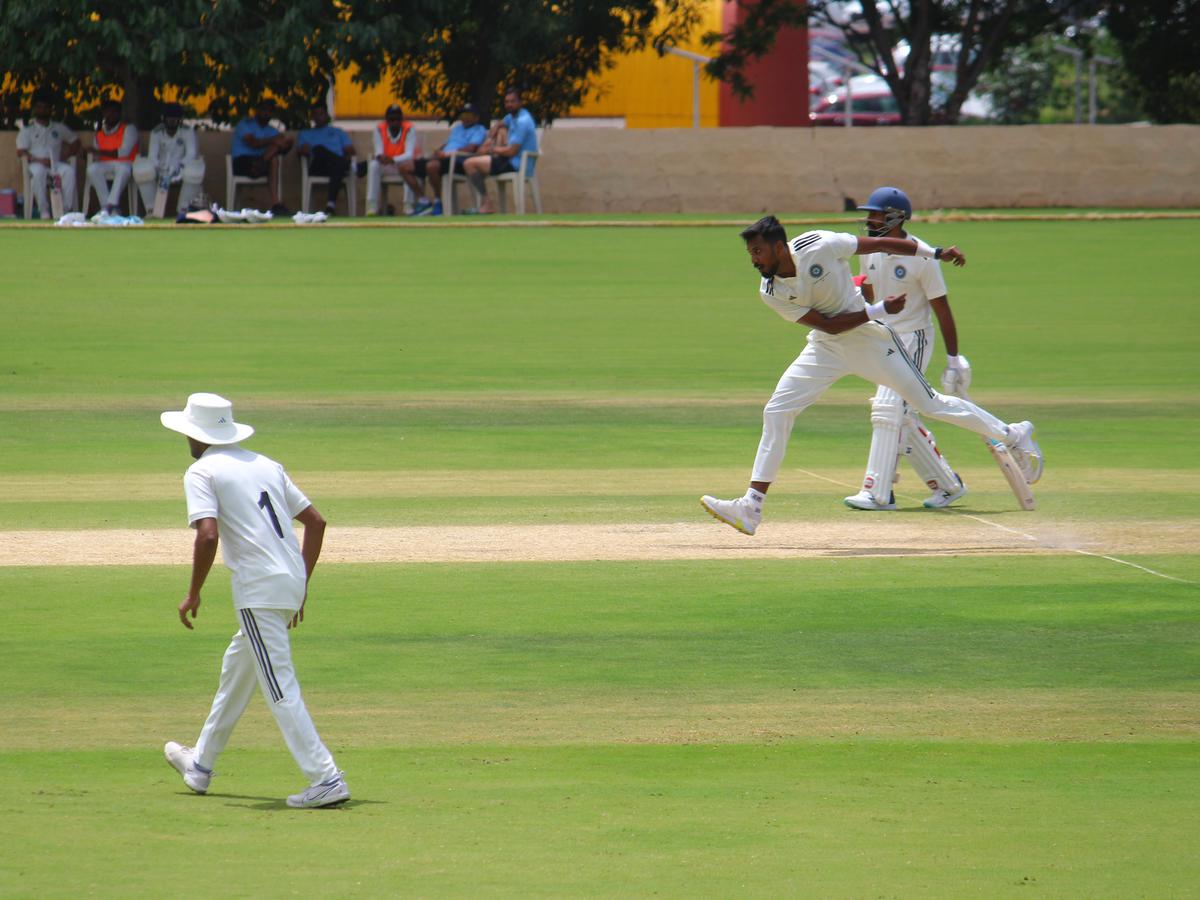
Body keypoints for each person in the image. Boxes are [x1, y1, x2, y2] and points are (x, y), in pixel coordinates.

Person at [700, 215, 1043, 536]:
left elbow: (882, 244)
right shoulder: (770, 291)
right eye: (750, 253)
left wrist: (935, 253)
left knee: (930, 404)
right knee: (776, 411)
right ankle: (751, 507)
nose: (753, 260)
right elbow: (830, 326)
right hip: (826, 346)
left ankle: (1013, 434)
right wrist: (878, 308)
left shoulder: (819, 243)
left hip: (871, 342)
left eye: (757, 251)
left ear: (778, 247)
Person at [160, 393, 349, 809]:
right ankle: (200, 765)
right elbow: (316, 523)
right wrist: (300, 585)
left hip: (259, 589)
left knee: (279, 686)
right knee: (238, 668)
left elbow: (207, 534)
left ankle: (326, 777)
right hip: (287, 582)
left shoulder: (201, 471)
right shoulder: (266, 464)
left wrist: (193, 592)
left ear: (196, 434)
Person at [843, 186, 970, 511]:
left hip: (915, 340)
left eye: (875, 214)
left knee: (886, 409)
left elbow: (943, 309)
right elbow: (870, 294)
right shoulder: (870, 249)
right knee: (900, 415)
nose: (869, 220)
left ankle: (878, 492)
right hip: (884, 338)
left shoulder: (923, 256)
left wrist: (953, 360)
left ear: (896, 218)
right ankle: (948, 485)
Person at [462, 88, 538, 215]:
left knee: (469, 164)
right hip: (509, 161)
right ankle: (484, 204)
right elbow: (500, 124)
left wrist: (491, 149)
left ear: (520, 103)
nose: (509, 104)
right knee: (476, 162)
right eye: (507, 102)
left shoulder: (522, 121)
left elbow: (511, 152)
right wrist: (495, 131)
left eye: (513, 101)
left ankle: (487, 204)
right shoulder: (512, 117)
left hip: (516, 164)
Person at [406, 102, 488, 216]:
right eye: (463, 116)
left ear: (476, 117)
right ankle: (423, 200)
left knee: (431, 166)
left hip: (458, 161)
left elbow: (471, 148)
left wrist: (448, 154)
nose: (466, 119)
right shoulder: (457, 129)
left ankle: (438, 202)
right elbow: (446, 144)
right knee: (405, 167)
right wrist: (438, 152)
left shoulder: (479, 129)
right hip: (442, 159)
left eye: (469, 115)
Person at [16, 89, 81, 216]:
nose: (42, 110)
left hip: (56, 164)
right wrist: (39, 160)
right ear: (34, 109)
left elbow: (75, 142)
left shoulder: (58, 127)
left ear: (51, 109)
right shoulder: (27, 130)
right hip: (35, 164)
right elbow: (21, 151)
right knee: (38, 173)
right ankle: (44, 211)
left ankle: (66, 210)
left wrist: (64, 156)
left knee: (69, 172)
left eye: (46, 107)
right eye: (39, 107)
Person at [133, 102, 205, 216]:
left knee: (194, 172)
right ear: (164, 118)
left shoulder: (187, 132)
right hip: (161, 170)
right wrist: (162, 170)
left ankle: (183, 210)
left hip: (182, 169)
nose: (172, 120)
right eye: (169, 117)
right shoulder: (156, 132)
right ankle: (152, 211)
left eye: (175, 118)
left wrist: (179, 168)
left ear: (180, 119)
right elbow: (152, 156)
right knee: (142, 170)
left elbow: (191, 154)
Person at [230, 98, 294, 215]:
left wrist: (279, 142)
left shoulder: (272, 130)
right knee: (274, 152)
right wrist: (274, 141)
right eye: (264, 110)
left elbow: (286, 142)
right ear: (257, 111)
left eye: (269, 111)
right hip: (242, 161)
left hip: (260, 164)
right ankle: (262, 162)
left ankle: (276, 204)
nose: (266, 113)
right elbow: (253, 143)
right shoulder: (245, 124)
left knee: (274, 158)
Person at [297, 102, 357, 215]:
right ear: (312, 117)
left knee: (336, 166)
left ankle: (330, 205)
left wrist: (346, 154)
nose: (319, 117)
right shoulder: (306, 133)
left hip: (336, 168)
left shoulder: (337, 132)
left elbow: (351, 150)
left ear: (326, 115)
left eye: (321, 114)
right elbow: (300, 151)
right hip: (318, 166)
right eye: (316, 114)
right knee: (320, 149)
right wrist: (306, 149)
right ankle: (352, 166)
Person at [86, 98, 139, 214]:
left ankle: (112, 204)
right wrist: (87, 154)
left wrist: (98, 152)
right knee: (92, 169)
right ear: (103, 114)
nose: (110, 115)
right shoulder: (99, 134)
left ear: (119, 114)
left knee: (123, 170)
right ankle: (106, 206)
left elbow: (123, 152)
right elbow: (96, 155)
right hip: (105, 163)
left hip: (125, 162)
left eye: (114, 112)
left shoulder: (129, 129)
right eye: (107, 112)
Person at [366, 104, 420, 216]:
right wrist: (381, 157)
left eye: (397, 119)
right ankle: (372, 205)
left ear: (401, 119)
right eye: (391, 119)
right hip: (387, 165)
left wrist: (393, 159)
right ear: (387, 120)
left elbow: (409, 154)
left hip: (403, 164)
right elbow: (378, 150)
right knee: (374, 165)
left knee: (407, 167)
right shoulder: (379, 129)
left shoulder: (409, 129)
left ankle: (408, 205)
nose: (394, 122)